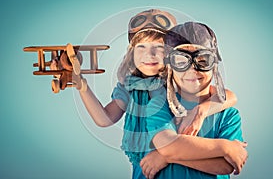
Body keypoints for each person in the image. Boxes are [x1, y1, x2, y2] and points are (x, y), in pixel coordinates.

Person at [59, 10, 239, 179]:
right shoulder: (131, 88)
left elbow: (227, 96)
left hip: (186, 159)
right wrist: (81, 84)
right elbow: (104, 119)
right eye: (141, 47)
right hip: (148, 165)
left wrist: (200, 111)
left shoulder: (180, 82)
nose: (149, 55)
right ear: (131, 53)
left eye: (158, 48)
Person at [140, 22, 248, 179]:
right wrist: (224, 147)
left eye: (203, 60)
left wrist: (167, 157)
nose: (192, 69)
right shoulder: (159, 105)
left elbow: (226, 165)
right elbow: (168, 144)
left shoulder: (228, 115)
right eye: (181, 61)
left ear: (214, 64)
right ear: (170, 66)